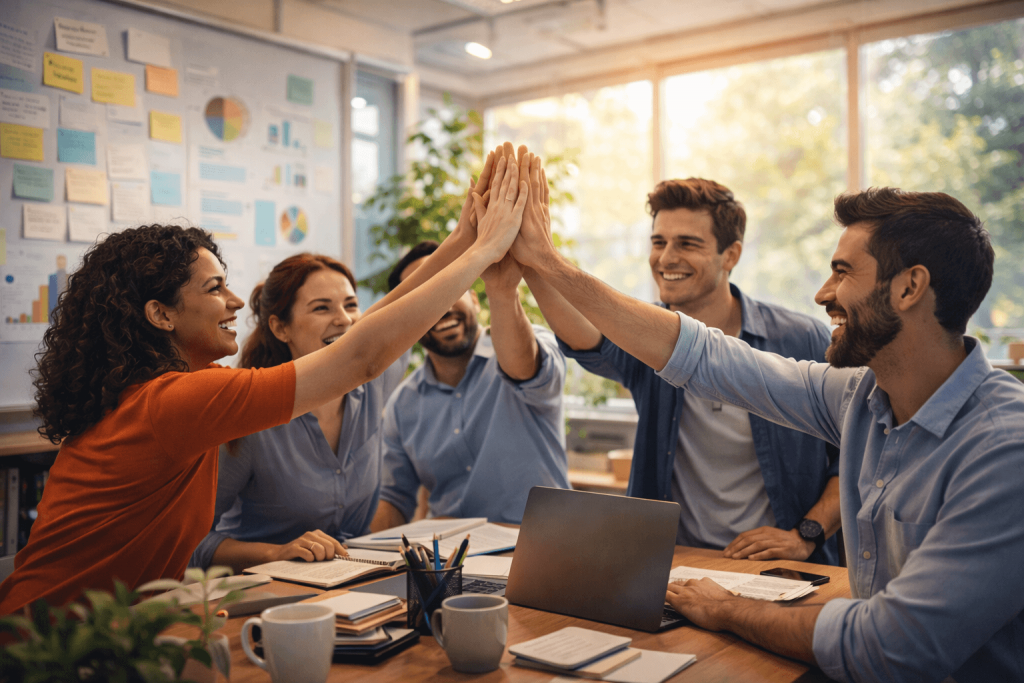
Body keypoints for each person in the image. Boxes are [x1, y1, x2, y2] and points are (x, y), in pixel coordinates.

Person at [512, 167, 1024, 683]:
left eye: (843, 273)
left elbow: (891, 646)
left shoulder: (1003, 450)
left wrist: (728, 608)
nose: (823, 293)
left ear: (910, 287)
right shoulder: (861, 398)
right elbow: (709, 360)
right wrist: (546, 264)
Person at [0, 147, 529, 613]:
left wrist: (464, 238)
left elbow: (356, 340)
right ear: (161, 315)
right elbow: (360, 356)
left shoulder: (174, 389)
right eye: (214, 289)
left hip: (110, 629)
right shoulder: (179, 399)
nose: (234, 303)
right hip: (53, 646)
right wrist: (483, 253)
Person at [531, 175, 841, 564]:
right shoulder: (646, 341)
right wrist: (531, 259)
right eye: (658, 242)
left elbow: (852, 456)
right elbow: (583, 335)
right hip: (674, 564)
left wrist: (805, 536)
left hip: (780, 571)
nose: (665, 258)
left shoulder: (801, 338)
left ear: (731, 255)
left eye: (687, 244)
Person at [188, 254, 408, 573]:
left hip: (358, 581)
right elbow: (192, 540)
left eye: (350, 305)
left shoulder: (376, 379)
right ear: (280, 328)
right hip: (267, 590)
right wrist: (276, 553)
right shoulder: (249, 418)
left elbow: (409, 303)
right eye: (322, 308)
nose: (344, 320)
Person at [370, 232, 570, 527]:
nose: (442, 307)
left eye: (450, 289)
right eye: (424, 299)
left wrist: (502, 289)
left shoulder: (531, 343)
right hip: (451, 563)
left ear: (474, 300)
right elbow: (395, 497)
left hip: (540, 552)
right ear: (405, 323)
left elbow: (525, 369)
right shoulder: (402, 405)